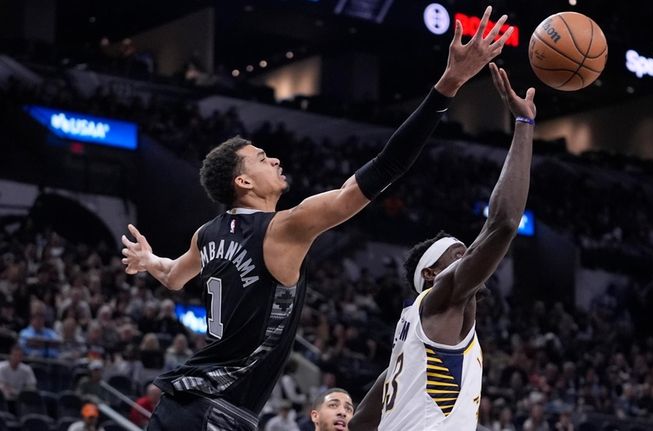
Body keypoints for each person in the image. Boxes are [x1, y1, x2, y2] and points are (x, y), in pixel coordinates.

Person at [121, 6, 502, 429]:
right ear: (243, 182)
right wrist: (448, 85)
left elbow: (173, 275)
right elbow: (383, 169)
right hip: (220, 411)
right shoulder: (284, 228)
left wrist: (147, 261)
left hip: (177, 404)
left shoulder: (206, 235)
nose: (276, 159)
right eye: (263, 158)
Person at [349, 58, 536, 429]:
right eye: (459, 254)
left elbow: (358, 425)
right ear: (433, 273)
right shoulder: (443, 298)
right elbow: (503, 222)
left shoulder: (408, 346)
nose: (471, 258)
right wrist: (524, 124)